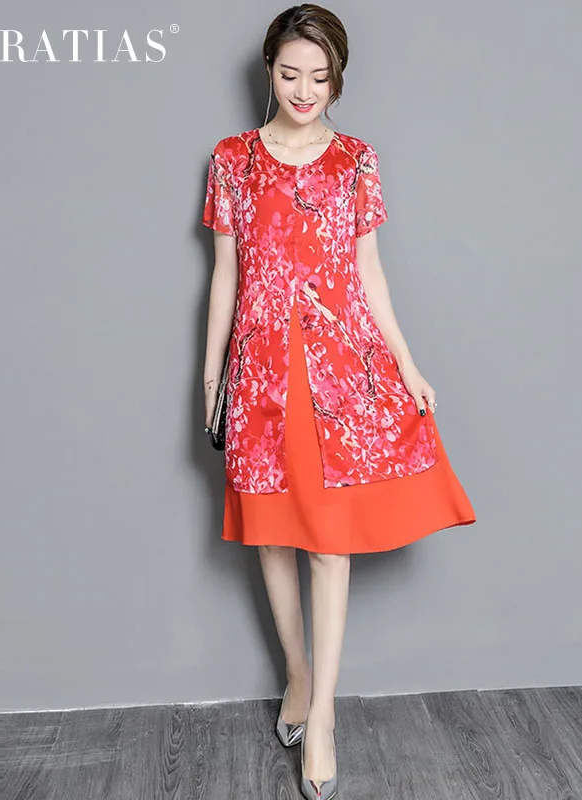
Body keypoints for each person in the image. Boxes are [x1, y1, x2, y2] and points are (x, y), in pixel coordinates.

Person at [200, 5, 476, 797]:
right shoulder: (232, 160)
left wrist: (408, 364)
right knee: (272, 537)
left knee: (329, 544)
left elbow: (369, 273)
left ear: (338, 80)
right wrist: (210, 379)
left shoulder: (357, 160)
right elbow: (225, 274)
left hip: (340, 371)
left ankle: (322, 714)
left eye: (319, 78)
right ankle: (296, 671)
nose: (304, 90)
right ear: (268, 70)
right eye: (290, 74)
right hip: (259, 370)